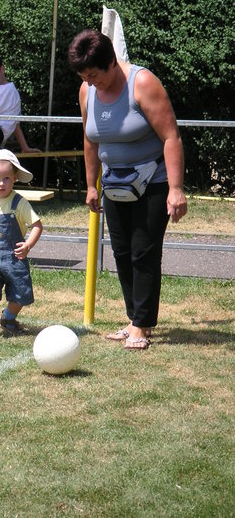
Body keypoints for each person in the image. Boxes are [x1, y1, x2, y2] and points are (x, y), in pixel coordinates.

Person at [68, 29, 187, 350]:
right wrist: (91, 185)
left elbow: (171, 137)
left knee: (143, 250)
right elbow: (90, 139)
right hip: (114, 183)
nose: (90, 82)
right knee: (121, 252)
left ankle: (141, 325)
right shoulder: (86, 90)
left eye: (94, 74)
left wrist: (176, 188)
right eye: (84, 77)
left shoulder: (142, 83)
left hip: (154, 182)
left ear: (111, 64)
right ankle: (135, 318)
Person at [0, 149, 43, 339]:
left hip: (14, 257)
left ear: (15, 178)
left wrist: (28, 245)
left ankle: (8, 318)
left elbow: (37, 225)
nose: (1, 183)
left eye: (6, 178)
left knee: (21, 293)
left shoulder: (19, 203)